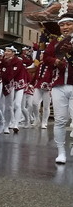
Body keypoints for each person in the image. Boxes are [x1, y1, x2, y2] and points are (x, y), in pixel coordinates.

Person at [42, 10, 73, 164]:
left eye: (68, 24)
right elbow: (46, 57)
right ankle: (61, 152)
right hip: (58, 84)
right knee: (60, 120)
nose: (65, 27)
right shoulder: (55, 42)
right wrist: (55, 61)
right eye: (62, 25)